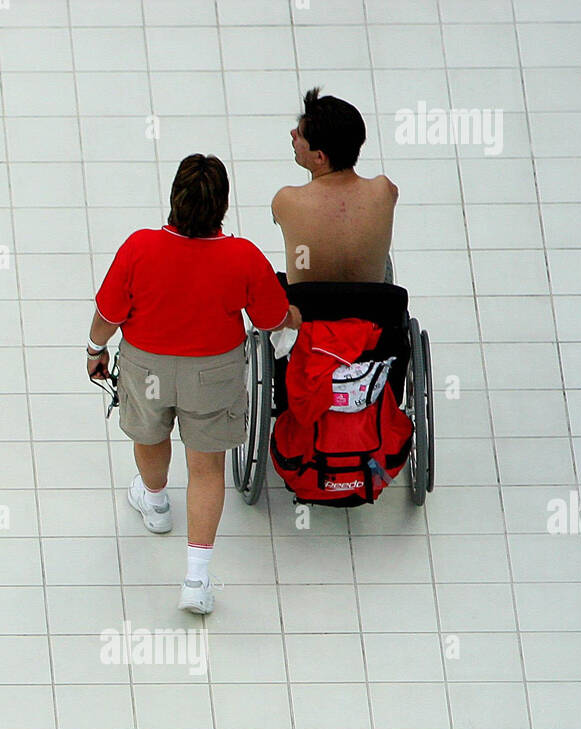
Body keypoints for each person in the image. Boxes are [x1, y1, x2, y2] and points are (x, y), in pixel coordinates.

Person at [86, 154, 301, 615]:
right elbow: (270, 318)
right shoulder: (242, 255)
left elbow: (109, 315)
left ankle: (157, 501)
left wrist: (94, 350)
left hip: (148, 369)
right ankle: (196, 580)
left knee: (150, 434)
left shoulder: (139, 248)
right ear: (221, 207)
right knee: (206, 469)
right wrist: (294, 315)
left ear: (174, 200)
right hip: (214, 372)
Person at [272, 87, 397, 284]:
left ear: (320, 157)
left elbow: (303, 254)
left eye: (300, 134)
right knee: (380, 256)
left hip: (309, 306)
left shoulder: (287, 199)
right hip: (372, 305)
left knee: (304, 251)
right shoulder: (384, 190)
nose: (292, 134)